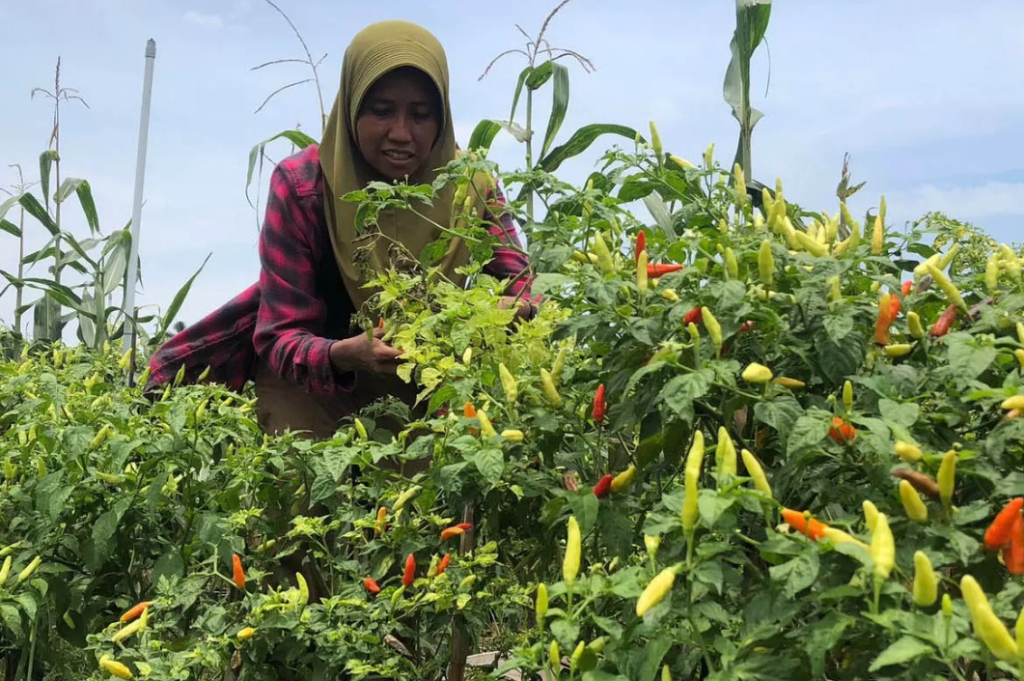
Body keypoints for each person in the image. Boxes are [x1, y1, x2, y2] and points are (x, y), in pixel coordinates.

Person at [145, 20, 538, 441]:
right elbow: (279, 335)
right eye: (382, 111)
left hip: (433, 383)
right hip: (314, 386)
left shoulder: (470, 184)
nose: (402, 133)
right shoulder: (304, 186)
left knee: (425, 502)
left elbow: (520, 286)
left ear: (443, 119)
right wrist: (343, 354)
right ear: (351, 107)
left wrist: (502, 313)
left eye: (422, 115)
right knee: (308, 494)